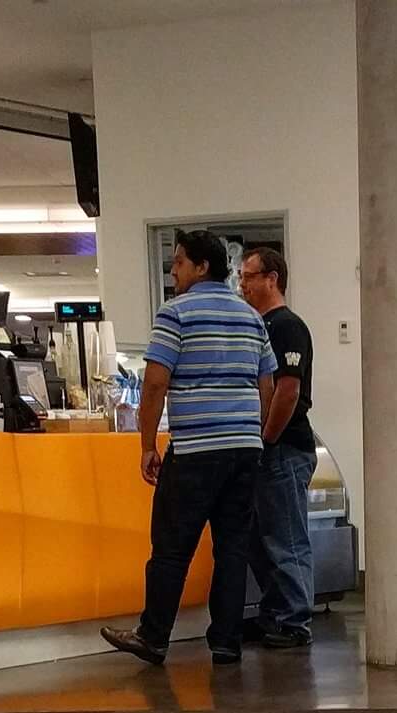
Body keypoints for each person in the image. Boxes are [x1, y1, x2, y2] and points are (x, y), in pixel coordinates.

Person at [102, 229, 274, 668]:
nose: (173, 270)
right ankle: (226, 643)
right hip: (243, 449)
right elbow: (266, 383)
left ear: (201, 267)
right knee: (232, 549)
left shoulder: (175, 313)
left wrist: (146, 446)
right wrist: (254, 432)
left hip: (196, 449)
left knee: (171, 548)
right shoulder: (251, 317)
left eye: (178, 262)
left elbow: (156, 381)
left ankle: (154, 636)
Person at [237, 244, 319, 650]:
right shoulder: (257, 326)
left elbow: (288, 390)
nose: (243, 285)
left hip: (284, 448)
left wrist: (266, 441)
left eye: (249, 277)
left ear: (272, 279)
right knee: (261, 538)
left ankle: (294, 620)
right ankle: (275, 612)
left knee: (286, 536)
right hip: (263, 448)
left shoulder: (287, 326)